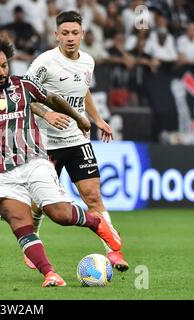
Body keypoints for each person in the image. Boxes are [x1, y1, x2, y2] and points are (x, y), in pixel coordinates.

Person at [0, 35, 122, 287]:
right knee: (21, 223)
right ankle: (50, 273)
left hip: (35, 163)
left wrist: (79, 118)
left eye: (4, 65)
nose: (1, 72)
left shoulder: (23, 85)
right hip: (1, 175)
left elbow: (52, 99)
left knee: (60, 215)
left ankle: (96, 223)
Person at [26, 11, 128, 271]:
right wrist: (47, 113)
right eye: (65, 33)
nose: (70, 38)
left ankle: (114, 251)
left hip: (76, 138)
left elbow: (84, 92)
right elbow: (25, 96)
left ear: (82, 34)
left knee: (93, 195)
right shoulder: (44, 62)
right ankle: (34, 239)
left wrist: (97, 119)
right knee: (40, 203)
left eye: (75, 33)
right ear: (56, 35)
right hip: (45, 142)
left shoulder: (88, 62)